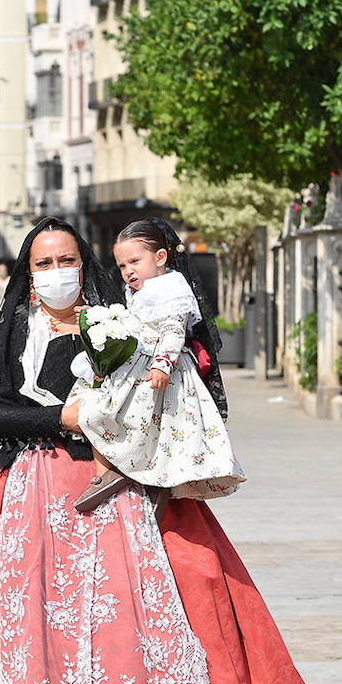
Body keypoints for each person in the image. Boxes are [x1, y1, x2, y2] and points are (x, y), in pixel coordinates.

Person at [0, 217, 332, 684]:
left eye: (67, 260)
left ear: (87, 265)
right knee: (43, 635)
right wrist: (64, 419)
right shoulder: (15, 332)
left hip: (127, 485)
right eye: (43, 264)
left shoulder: (124, 318)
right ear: (27, 276)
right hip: (36, 499)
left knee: (164, 612)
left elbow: (179, 372)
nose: (57, 273)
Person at [72, 218, 244, 511]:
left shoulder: (170, 288)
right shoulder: (140, 292)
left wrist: (163, 365)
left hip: (165, 370)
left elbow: (175, 329)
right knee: (126, 416)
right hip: (141, 362)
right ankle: (127, 469)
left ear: (161, 257)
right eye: (123, 265)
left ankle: (144, 477)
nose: (128, 271)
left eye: (135, 261)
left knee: (157, 425)